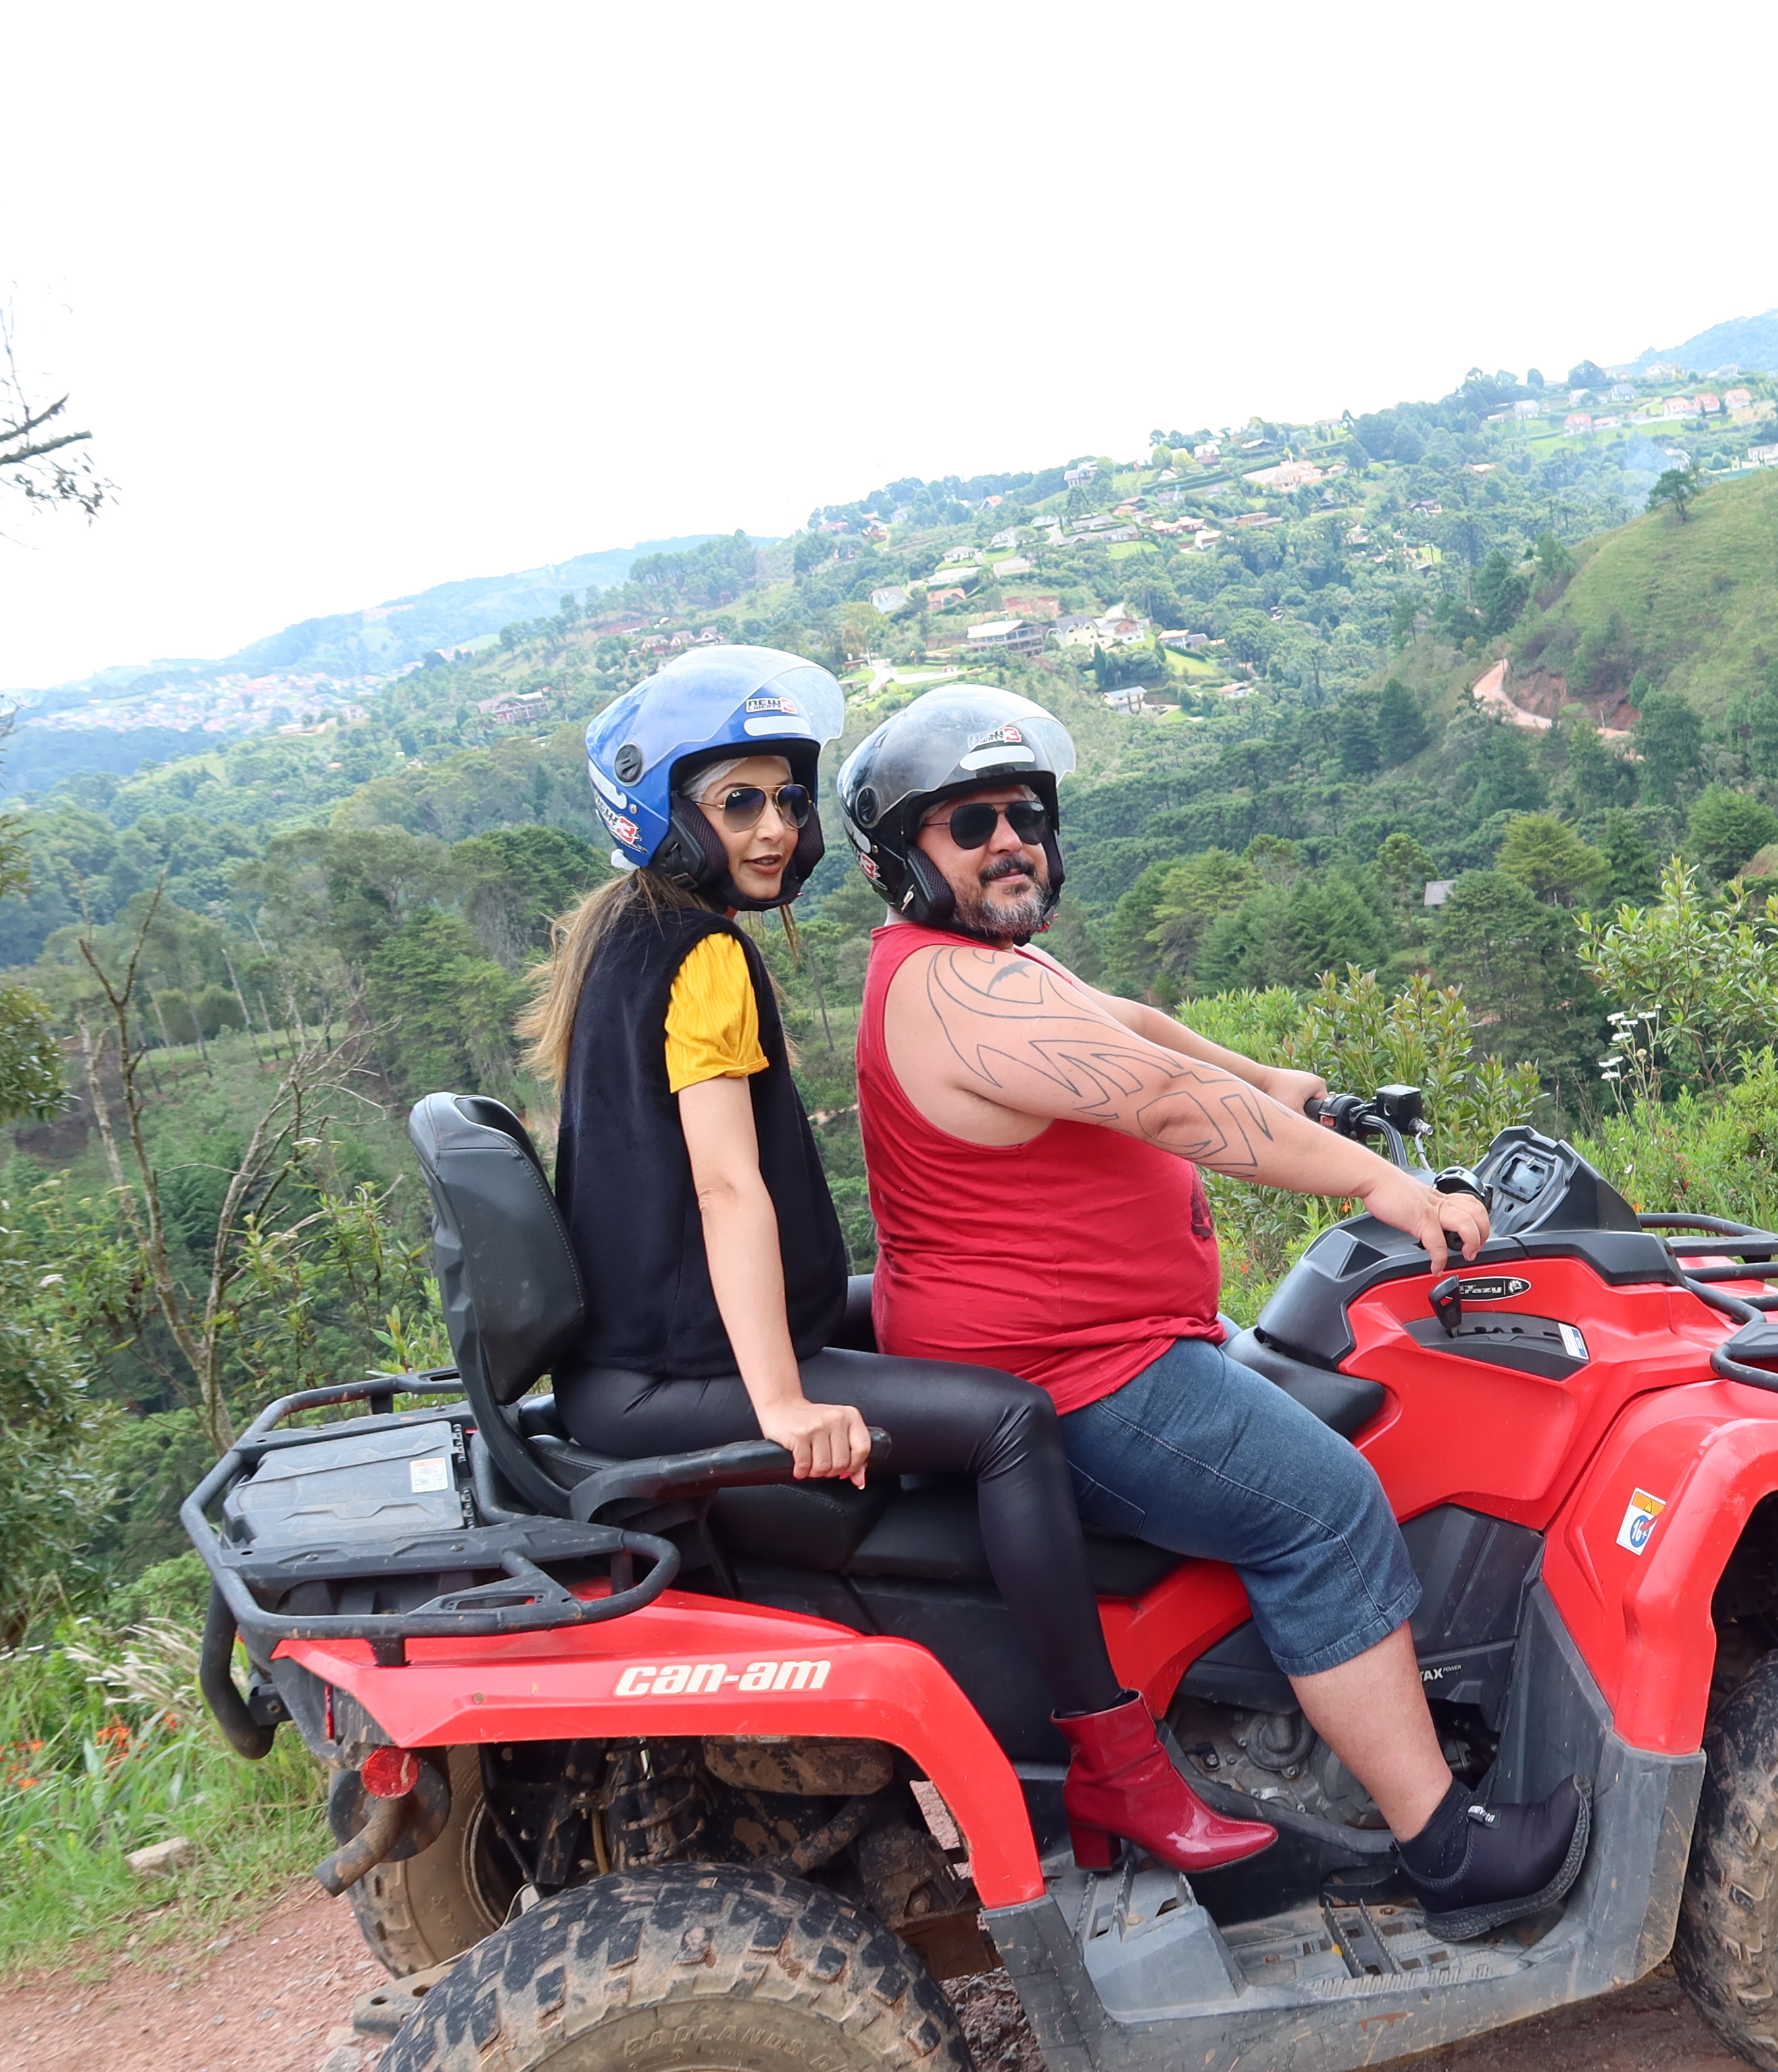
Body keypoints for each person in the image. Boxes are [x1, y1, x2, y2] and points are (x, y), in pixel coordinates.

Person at [840, 685, 1590, 1939]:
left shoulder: (994, 965)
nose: (1007, 838)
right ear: (901, 861)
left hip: (1102, 1343)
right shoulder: (953, 993)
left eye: (1023, 812)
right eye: (968, 823)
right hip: (1074, 1373)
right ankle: (1446, 1851)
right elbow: (1159, 1105)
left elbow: (1124, 1029)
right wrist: (1383, 1184)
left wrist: (1278, 1082)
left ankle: (1302, 1738)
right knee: (1327, 1509)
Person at [525, 647, 1269, 1875]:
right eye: (739, 804)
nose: (774, 832)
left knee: (930, 1311)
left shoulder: (629, 935)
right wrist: (782, 1404)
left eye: (786, 800)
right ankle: (1113, 1763)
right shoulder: (701, 953)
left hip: (653, 1344)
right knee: (1010, 1421)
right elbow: (726, 1185)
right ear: (670, 817)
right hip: (683, 1369)